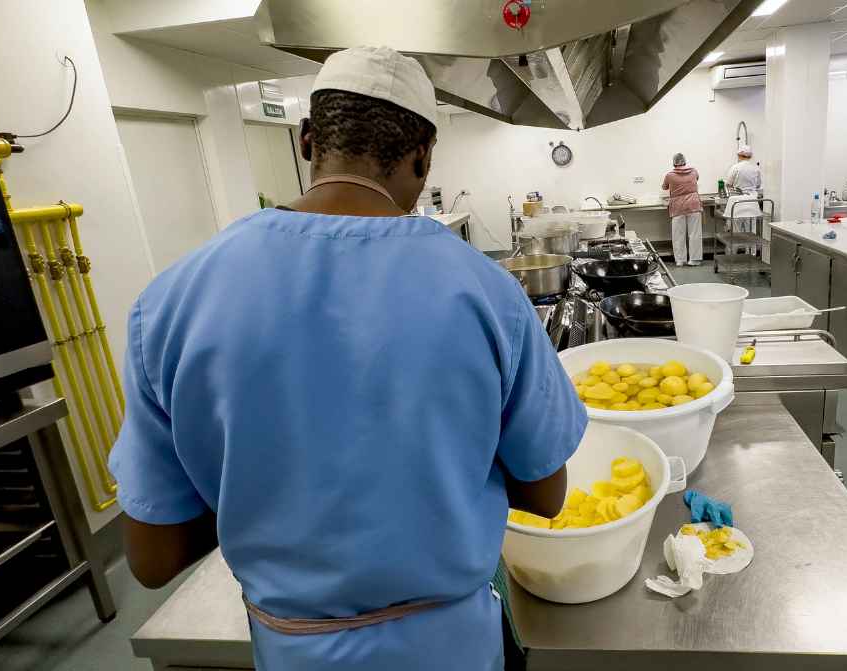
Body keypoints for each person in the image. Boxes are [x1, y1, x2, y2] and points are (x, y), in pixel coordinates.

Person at [108, 46, 586, 671]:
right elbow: (547, 495)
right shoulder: (486, 292)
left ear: (308, 141)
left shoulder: (172, 301)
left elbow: (152, 558)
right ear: (424, 157)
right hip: (453, 651)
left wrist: (264, 496)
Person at [662, 152, 703, 266]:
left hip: (678, 206)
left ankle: (680, 260)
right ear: (685, 161)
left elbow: (664, 187)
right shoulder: (694, 171)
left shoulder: (670, 175)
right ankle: (694, 260)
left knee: (678, 234)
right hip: (694, 204)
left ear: (674, 163)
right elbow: (697, 179)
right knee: (695, 233)